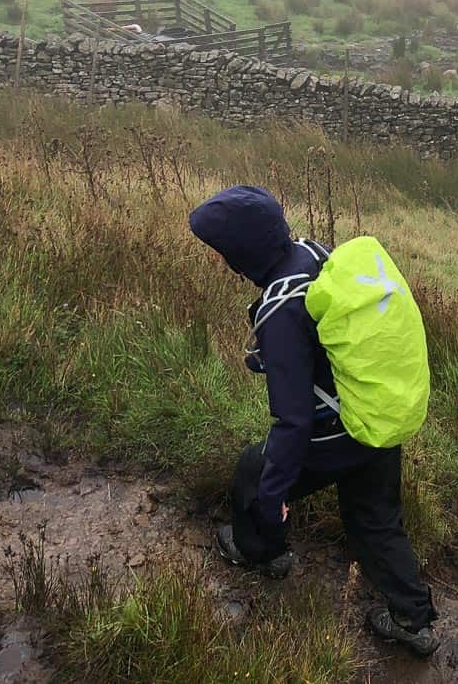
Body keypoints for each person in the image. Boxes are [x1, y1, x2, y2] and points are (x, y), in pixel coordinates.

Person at [188, 185, 439, 657]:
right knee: (377, 522)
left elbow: (293, 421)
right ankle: (412, 620)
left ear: (239, 258)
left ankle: (262, 550)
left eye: (224, 253)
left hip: (334, 435)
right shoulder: (315, 253)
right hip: (374, 414)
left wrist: (272, 496)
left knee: (253, 472)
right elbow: (327, 336)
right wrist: (277, 359)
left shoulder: (278, 309)